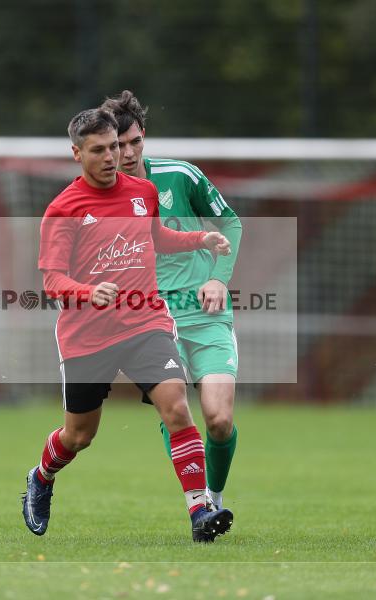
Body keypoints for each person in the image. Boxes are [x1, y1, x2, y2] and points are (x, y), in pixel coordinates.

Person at [22, 108, 233, 543]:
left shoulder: (143, 191)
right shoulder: (64, 208)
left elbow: (155, 238)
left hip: (145, 322)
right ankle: (42, 476)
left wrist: (200, 239)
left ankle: (199, 512)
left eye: (115, 147)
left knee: (176, 406)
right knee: (79, 436)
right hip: (86, 336)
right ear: (76, 153)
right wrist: (86, 291)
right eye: (98, 150)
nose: (111, 157)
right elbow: (52, 280)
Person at [102, 90, 242, 510]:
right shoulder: (98, 196)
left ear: (144, 136)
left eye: (134, 142)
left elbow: (230, 223)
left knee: (218, 420)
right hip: (152, 320)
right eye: (117, 145)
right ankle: (198, 505)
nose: (127, 153)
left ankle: (213, 495)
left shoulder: (180, 175)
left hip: (206, 313)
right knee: (175, 407)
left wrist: (218, 278)